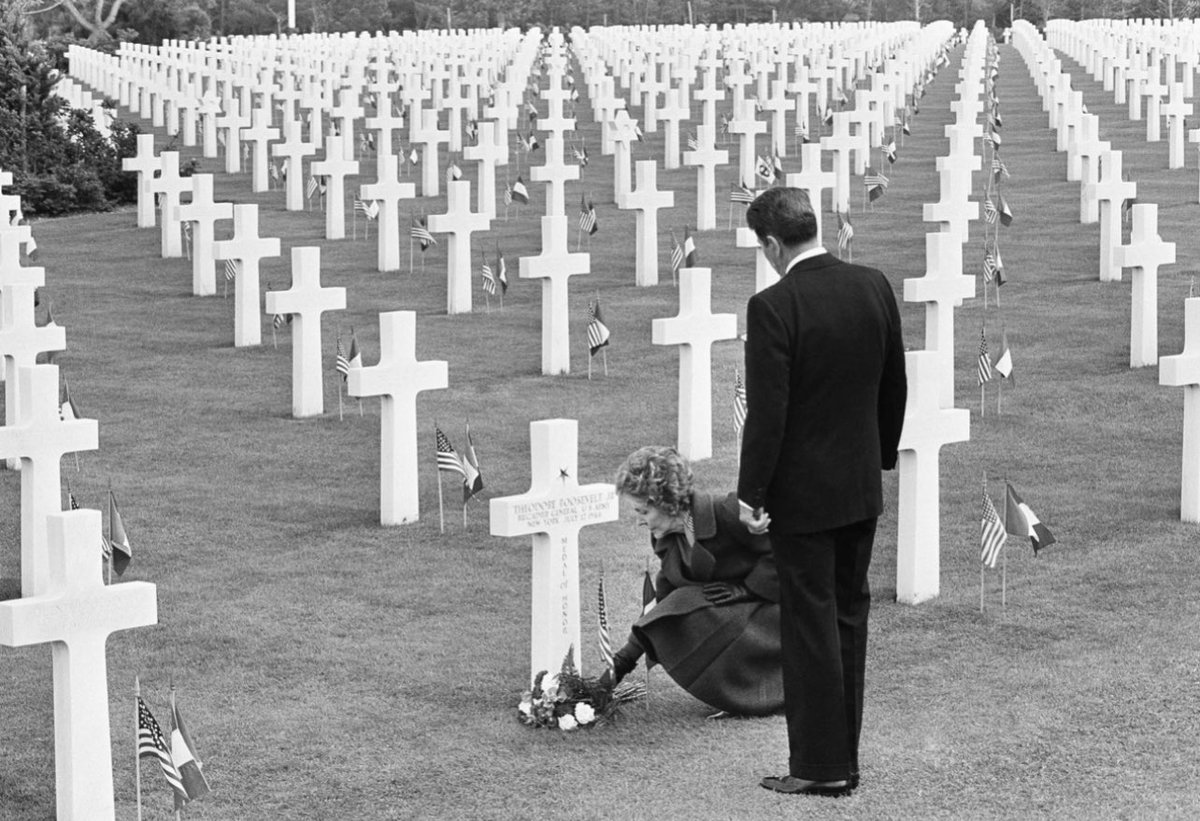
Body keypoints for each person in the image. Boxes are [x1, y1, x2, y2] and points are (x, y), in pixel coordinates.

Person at [738, 187, 907, 796]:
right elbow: (895, 383)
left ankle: (820, 766)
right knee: (847, 619)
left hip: (803, 499)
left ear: (774, 244)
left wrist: (751, 492)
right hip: (859, 487)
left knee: (809, 628)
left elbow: (768, 413)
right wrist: (879, 456)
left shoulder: (773, 306)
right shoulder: (874, 285)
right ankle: (844, 759)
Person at [606, 445, 783, 717]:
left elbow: (784, 554)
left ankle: (772, 689)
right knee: (682, 604)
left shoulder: (728, 511)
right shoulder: (667, 537)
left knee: (695, 606)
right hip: (736, 618)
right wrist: (620, 664)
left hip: (776, 615)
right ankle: (738, 695)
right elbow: (664, 602)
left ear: (664, 501)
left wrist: (746, 589)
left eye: (643, 512)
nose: (640, 522)